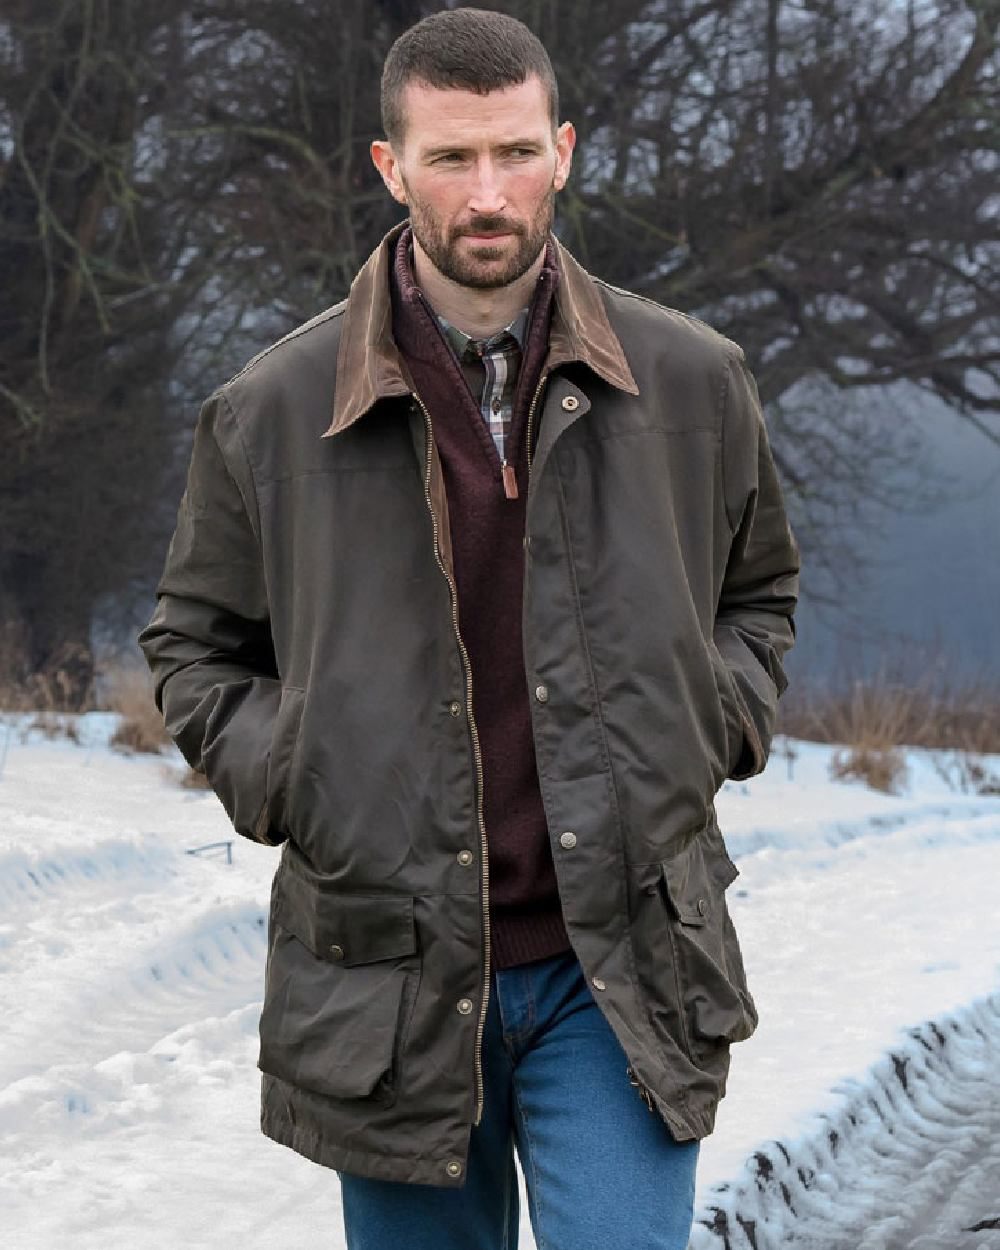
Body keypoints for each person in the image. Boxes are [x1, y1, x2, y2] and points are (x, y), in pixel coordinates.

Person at [139, 8, 799, 1249]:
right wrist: (300, 770)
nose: (484, 193)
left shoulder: (696, 381)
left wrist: (710, 721)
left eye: (510, 153)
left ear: (563, 151)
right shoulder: (271, 409)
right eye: (449, 159)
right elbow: (192, 640)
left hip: (624, 960)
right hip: (386, 968)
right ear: (390, 169)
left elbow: (757, 593)